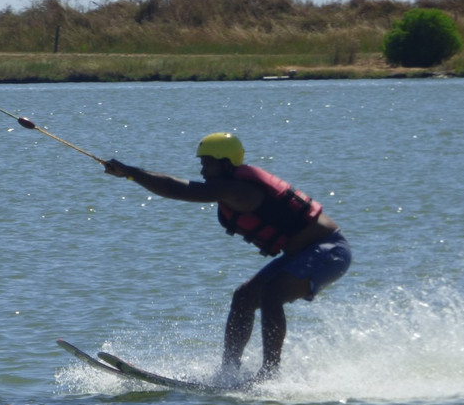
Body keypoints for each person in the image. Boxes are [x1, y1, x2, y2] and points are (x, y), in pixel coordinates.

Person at [103, 132, 350, 382]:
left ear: (225, 163)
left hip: (329, 251)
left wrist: (130, 172)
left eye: (207, 163)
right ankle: (229, 372)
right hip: (303, 253)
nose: (202, 170)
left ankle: (270, 374)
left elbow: (174, 188)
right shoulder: (229, 187)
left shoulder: (239, 190)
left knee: (272, 293)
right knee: (244, 297)